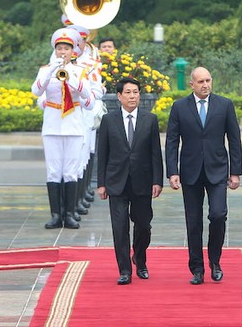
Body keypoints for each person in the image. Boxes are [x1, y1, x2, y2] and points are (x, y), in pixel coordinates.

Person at [165, 66, 242, 285]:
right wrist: (172, 172)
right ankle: (197, 268)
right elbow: (172, 141)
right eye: (200, 81)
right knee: (193, 222)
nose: (205, 85)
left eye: (208, 80)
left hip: (218, 170)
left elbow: (234, 139)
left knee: (218, 215)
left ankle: (215, 262)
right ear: (192, 84)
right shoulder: (179, 107)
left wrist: (235, 172)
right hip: (190, 172)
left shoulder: (224, 105)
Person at [97, 77, 163, 285]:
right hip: (116, 182)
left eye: (135, 92)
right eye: (128, 92)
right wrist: (101, 183)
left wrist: (157, 181)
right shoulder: (109, 120)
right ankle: (124, 270)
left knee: (143, 225)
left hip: (143, 181)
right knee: (119, 227)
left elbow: (155, 154)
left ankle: (140, 260)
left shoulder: (149, 120)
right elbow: (103, 153)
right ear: (119, 96)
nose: (132, 96)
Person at [32, 28, 94, 229]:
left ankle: (69, 214)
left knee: (70, 171)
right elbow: (36, 90)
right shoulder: (45, 70)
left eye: (66, 49)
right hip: (52, 125)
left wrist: (70, 77)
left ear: (73, 51)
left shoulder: (79, 71)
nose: (62, 52)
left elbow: (86, 95)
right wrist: (52, 70)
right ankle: (55, 214)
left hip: (73, 125)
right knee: (53, 171)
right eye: (59, 48)